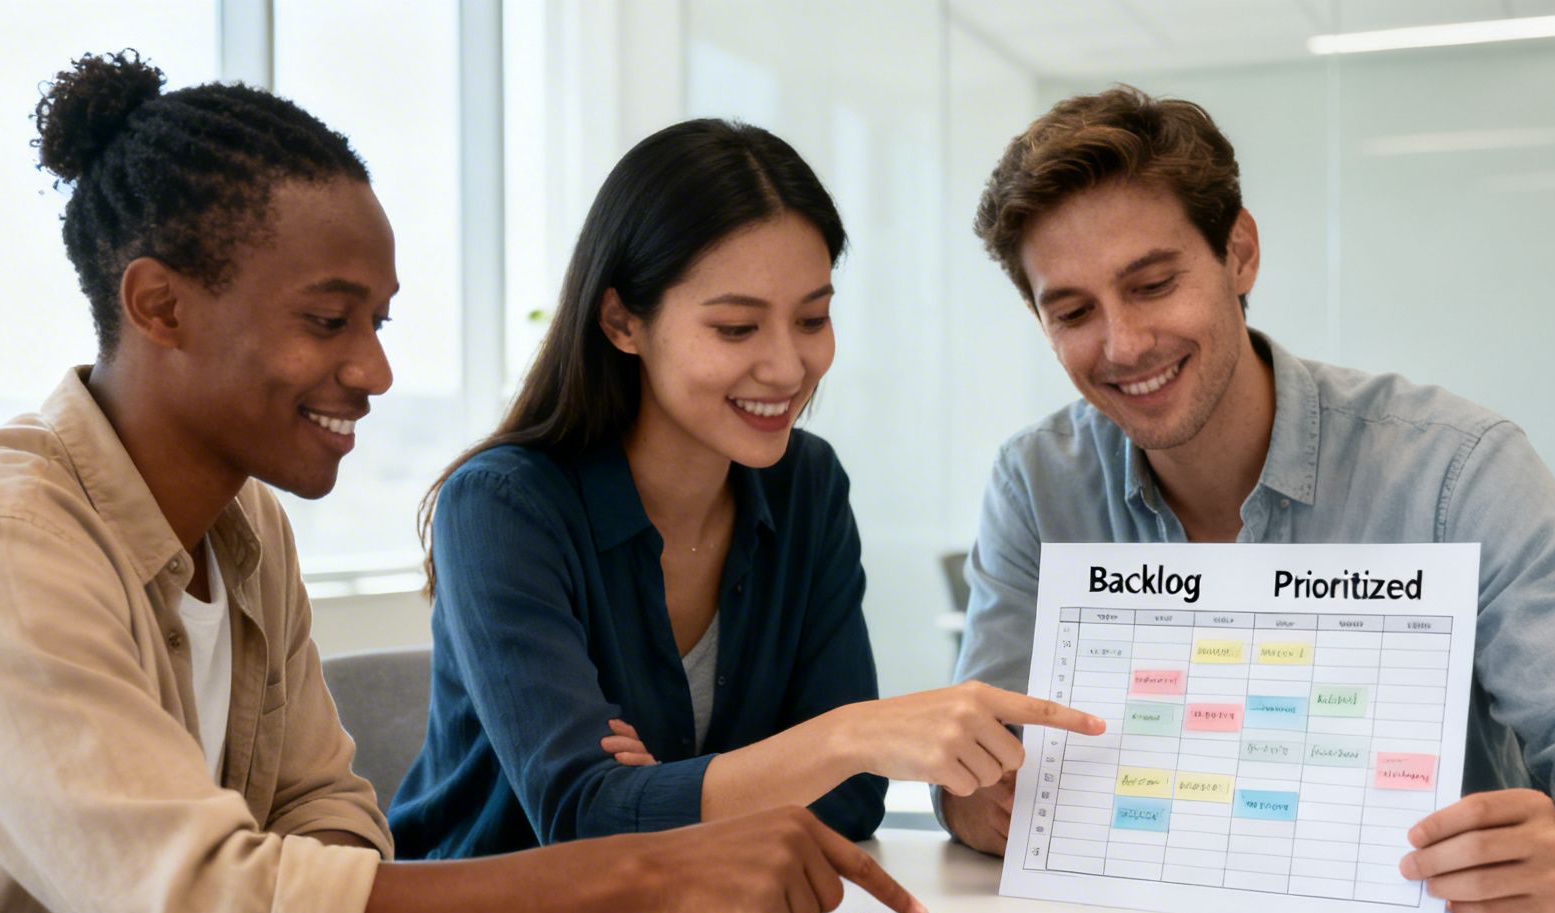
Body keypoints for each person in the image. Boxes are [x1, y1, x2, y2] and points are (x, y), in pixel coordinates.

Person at [0, 54, 927, 913]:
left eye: (378, 320)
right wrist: (655, 866)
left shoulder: (243, 530)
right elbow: (238, 910)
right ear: (159, 306)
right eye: (327, 320)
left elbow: (329, 818)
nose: (376, 370)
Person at [943, 86, 1555, 913]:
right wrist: (975, 799)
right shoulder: (1036, 481)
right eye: (1072, 312)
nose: (1124, 344)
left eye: (1153, 284)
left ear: (1239, 254)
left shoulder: (1456, 469)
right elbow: (970, 766)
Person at [389, 119, 1104, 860]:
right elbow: (585, 822)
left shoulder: (808, 486)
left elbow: (850, 799)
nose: (788, 368)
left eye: (813, 318)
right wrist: (841, 740)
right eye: (736, 328)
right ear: (621, 320)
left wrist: (660, 792)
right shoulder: (503, 508)